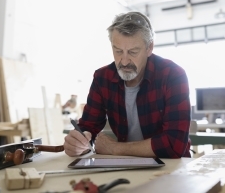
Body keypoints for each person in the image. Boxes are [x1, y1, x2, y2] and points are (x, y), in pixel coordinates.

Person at [64, 12, 191, 158]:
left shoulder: (172, 75)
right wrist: (78, 143)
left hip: (171, 168)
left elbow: (174, 144)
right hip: (126, 166)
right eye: (118, 51)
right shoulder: (102, 78)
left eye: (133, 52)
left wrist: (115, 148)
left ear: (149, 48)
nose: (124, 61)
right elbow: (88, 127)